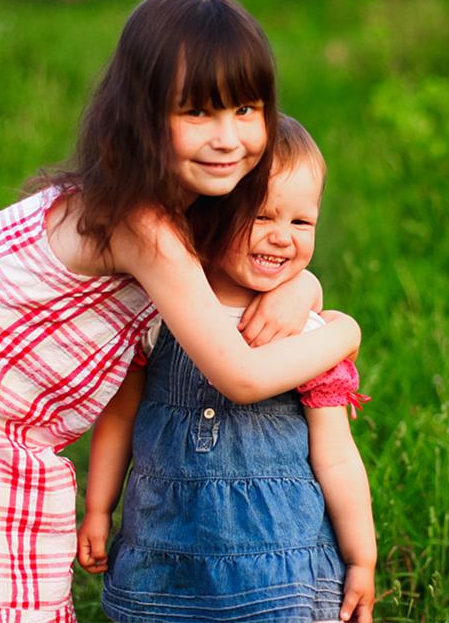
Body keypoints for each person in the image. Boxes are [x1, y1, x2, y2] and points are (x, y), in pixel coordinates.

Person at [0, 0, 362, 622]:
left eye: (246, 109)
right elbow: (241, 374)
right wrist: (343, 328)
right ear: (140, 113)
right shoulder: (143, 222)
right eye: (197, 112)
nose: (228, 137)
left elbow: (229, 267)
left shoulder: (174, 193)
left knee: (3, 553)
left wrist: (300, 287)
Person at [77, 116, 377, 623]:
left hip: (278, 566)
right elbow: (120, 417)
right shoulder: (158, 314)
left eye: (301, 223)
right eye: (262, 217)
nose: (283, 238)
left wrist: (361, 556)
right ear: (207, 214)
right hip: (164, 553)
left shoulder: (306, 333)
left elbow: (337, 457)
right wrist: (99, 508)